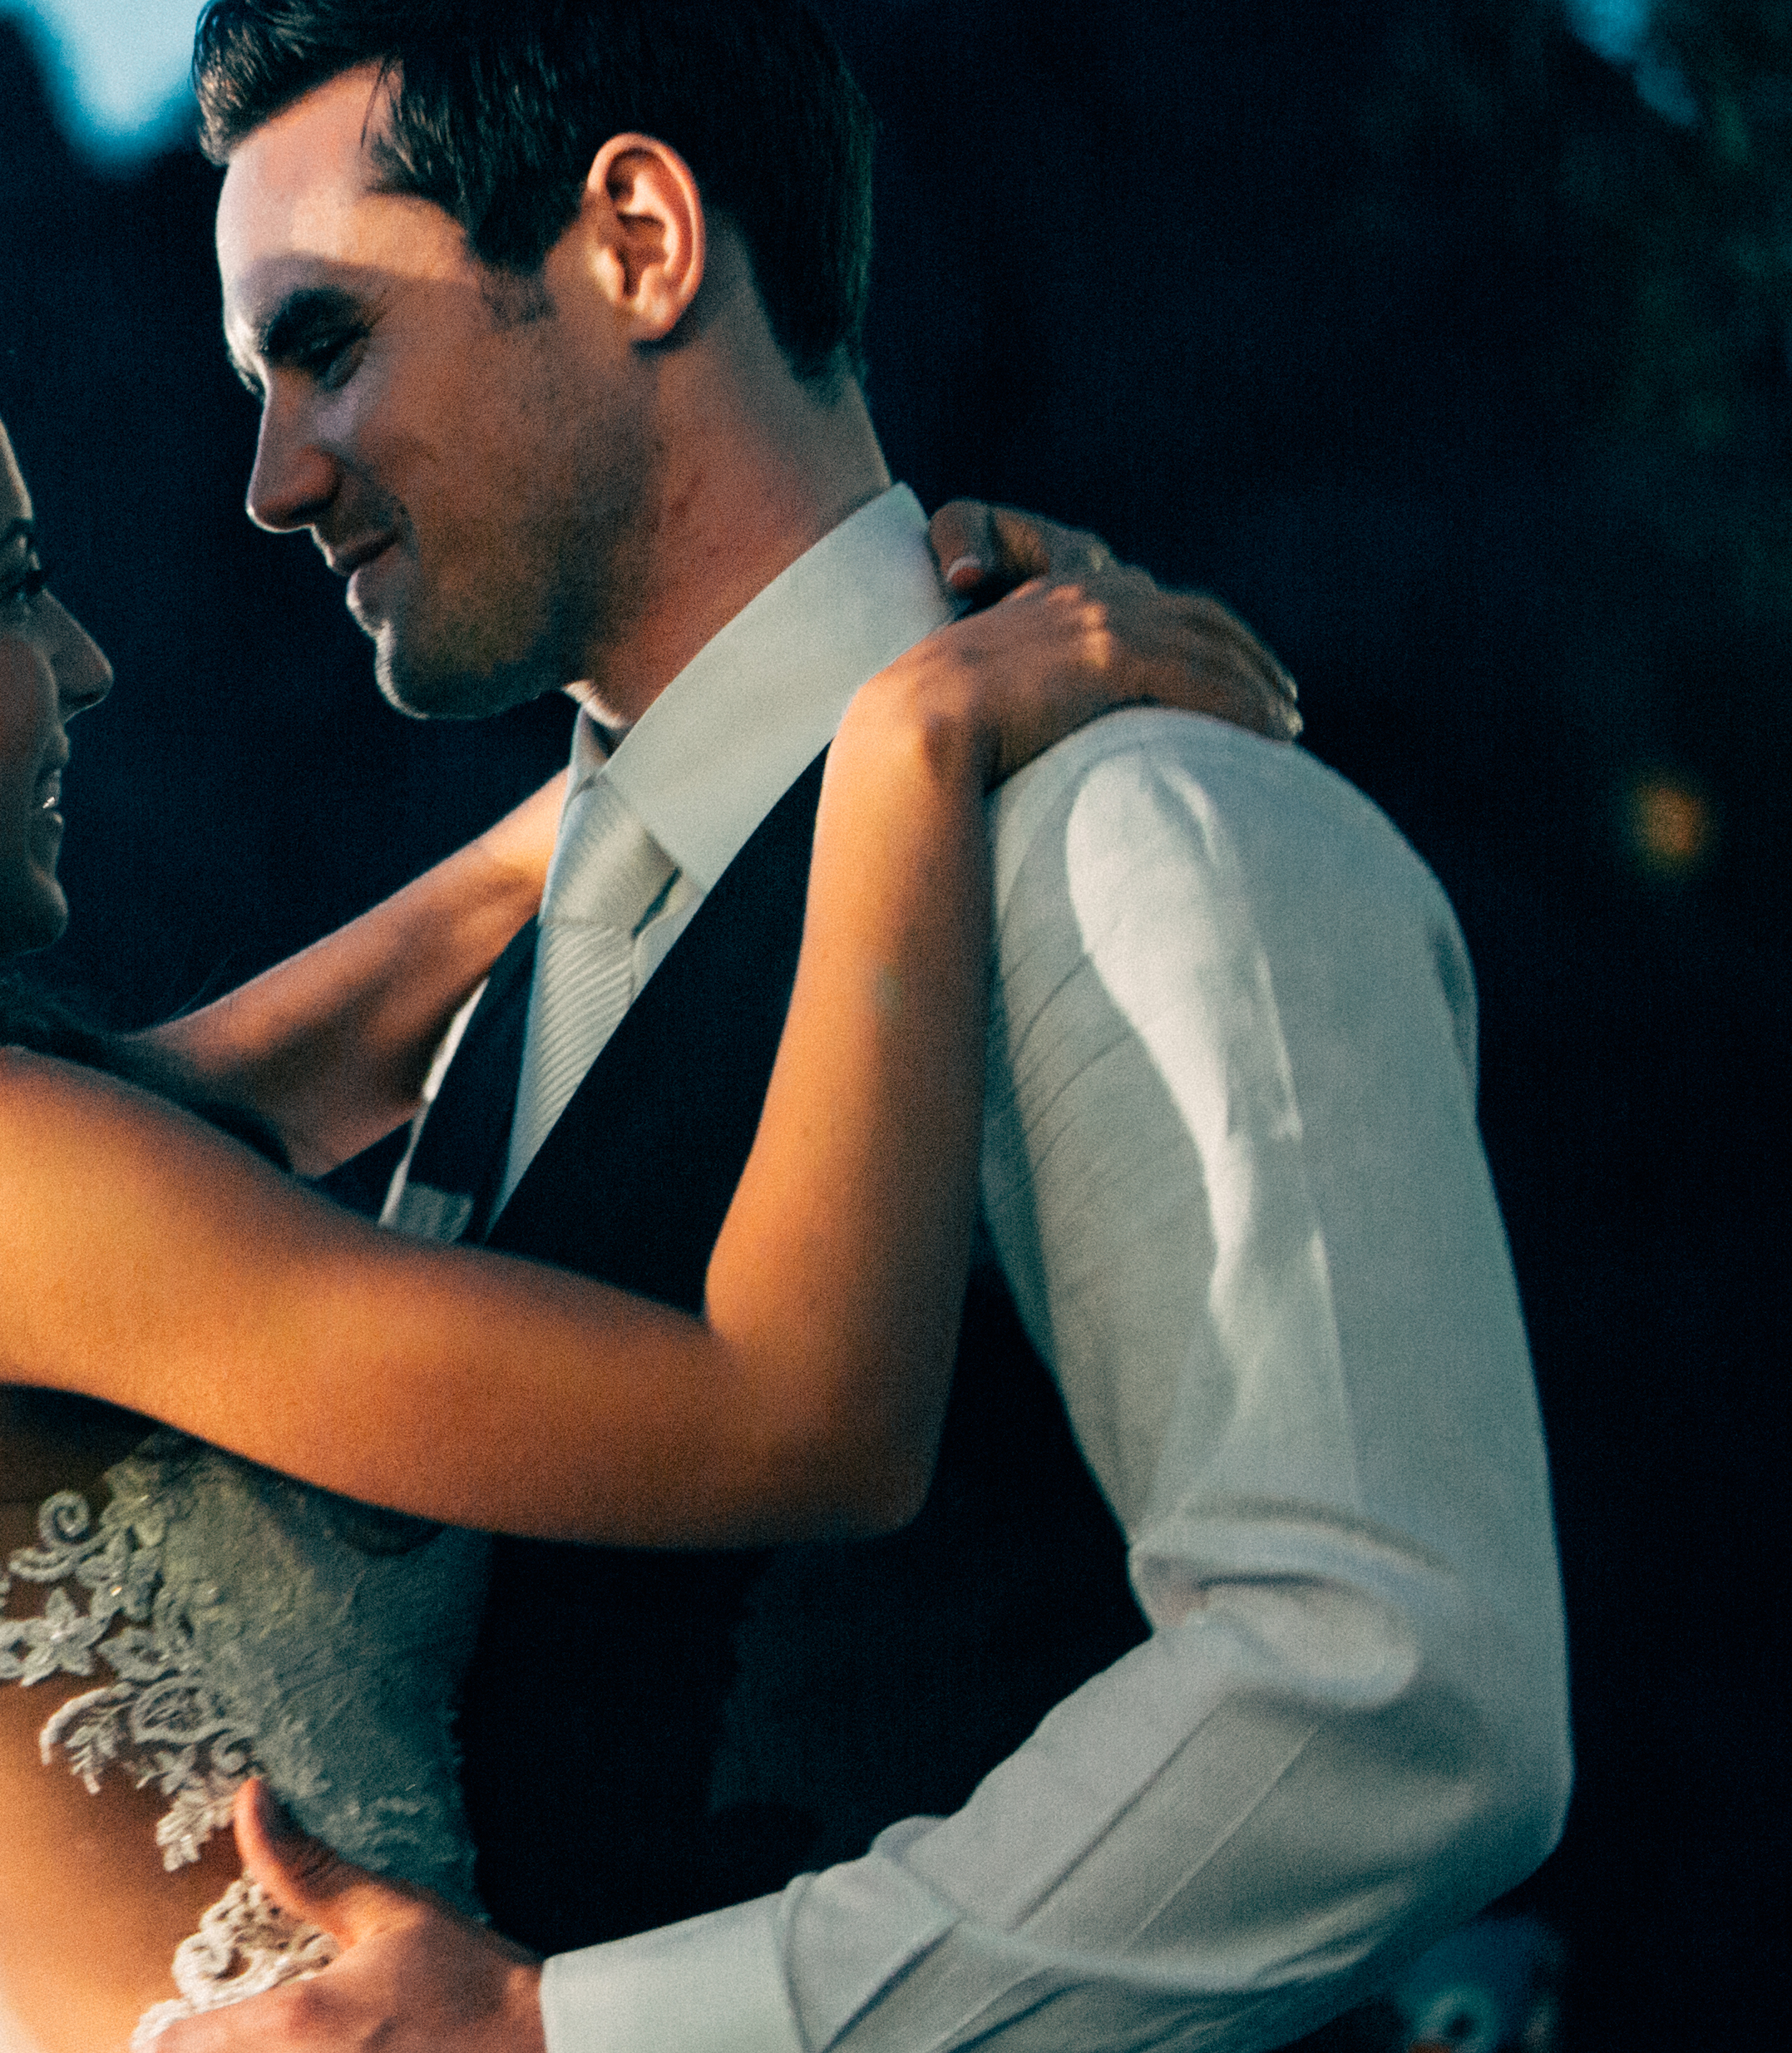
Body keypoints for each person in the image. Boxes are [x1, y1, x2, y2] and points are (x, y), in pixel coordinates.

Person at [0, 248, 1296, 2053]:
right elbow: (804, 1420)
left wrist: (787, 673)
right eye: (9, 589)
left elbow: (272, 1068)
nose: (84, 665)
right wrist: (908, 764)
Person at [156, 5, 1567, 2051]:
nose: (277, 481)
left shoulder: (1130, 830)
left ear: (641, 239)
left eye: (327, 346)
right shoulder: (521, 989)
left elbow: (1395, 1693)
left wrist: (580, 2034)